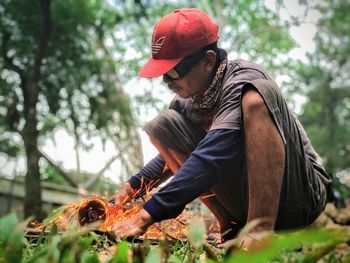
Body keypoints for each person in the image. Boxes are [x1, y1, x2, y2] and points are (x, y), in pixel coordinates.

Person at [108, 8, 331, 247]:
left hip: (300, 196)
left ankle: (260, 231)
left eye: (174, 71)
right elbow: (174, 158)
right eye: (163, 74)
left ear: (208, 60)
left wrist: (147, 214)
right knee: (163, 124)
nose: (167, 81)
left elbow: (211, 156)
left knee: (256, 98)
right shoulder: (187, 100)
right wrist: (130, 188)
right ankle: (232, 226)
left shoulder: (243, 80)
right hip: (243, 197)